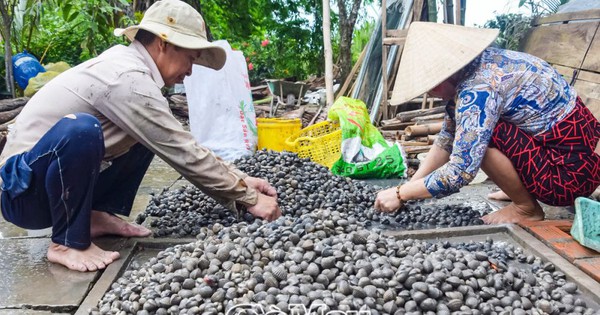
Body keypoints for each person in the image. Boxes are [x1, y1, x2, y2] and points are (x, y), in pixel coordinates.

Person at [0, 0, 281, 272]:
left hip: (47, 185)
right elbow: (183, 152)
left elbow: (176, 141)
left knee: (151, 132)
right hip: (23, 195)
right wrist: (249, 198)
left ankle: (94, 216)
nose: (190, 71)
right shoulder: (126, 77)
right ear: (163, 43)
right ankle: (66, 243)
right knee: (82, 130)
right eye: (190, 59)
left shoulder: (136, 74)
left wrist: (242, 179)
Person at [374, 22, 600, 224]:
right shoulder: (486, 64)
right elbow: (446, 139)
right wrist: (409, 186)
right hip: (570, 157)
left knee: (477, 137)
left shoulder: (478, 90)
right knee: (469, 128)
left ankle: (525, 208)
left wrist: (400, 194)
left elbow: (460, 171)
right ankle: (520, 190)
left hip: (568, 178)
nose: (433, 93)